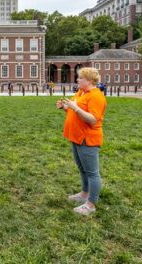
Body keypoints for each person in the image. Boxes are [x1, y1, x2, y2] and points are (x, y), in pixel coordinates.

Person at [56, 67, 107, 216]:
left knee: (92, 172)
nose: (77, 80)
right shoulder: (81, 93)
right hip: (76, 136)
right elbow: (75, 111)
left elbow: (92, 119)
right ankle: (84, 194)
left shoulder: (96, 96)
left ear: (89, 81)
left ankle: (90, 204)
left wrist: (75, 108)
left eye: (80, 78)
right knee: (82, 169)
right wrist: (66, 107)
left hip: (88, 138)